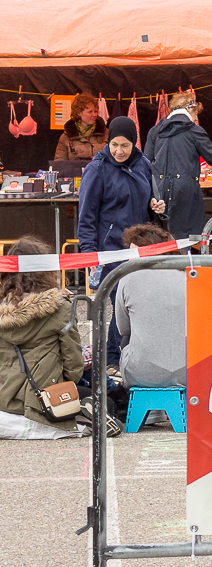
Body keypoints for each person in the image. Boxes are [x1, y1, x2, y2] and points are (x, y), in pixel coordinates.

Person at [77, 116, 165, 372]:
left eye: (125, 145)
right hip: (110, 249)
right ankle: (112, 358)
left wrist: (157, 206)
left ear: (134, 143)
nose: (118, 151)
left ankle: (123, 355)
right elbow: (86, 215)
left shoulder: (143, 164)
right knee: (120, 302)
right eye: (114, 144)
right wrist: (89, 253)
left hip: (139, 248)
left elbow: (150, 199)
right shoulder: (96, 169)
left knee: (135, 302)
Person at [0, 236, 85, 439]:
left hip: (3, 399)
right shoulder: (60, 308)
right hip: (43, 403)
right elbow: (74, 366)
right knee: (98, 398)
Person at [143, 93, 212, 240]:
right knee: (187, 238)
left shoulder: (155, 131)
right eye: (196, 114)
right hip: (185, 190)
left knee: (160, 237)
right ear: (190, 110)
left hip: (158, 191)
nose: (196, 118)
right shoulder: (194, 130)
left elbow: (146, 162)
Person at [114, 225, 185, 388]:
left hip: (143, 373)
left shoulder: (127, 278)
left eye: (133, 255)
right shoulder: (188, 276)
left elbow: (123, 329)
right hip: (191, 370)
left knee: (126, 339)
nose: (129, 261)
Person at [54, 92, 106, 161]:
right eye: (90, 112)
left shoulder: (106, 134)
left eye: (95, 111)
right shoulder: (66, 137)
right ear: (78, 113)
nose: (94, 115)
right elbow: (59, 163)